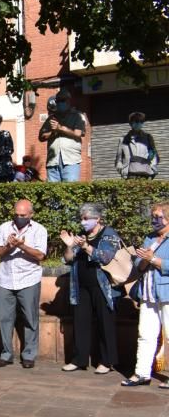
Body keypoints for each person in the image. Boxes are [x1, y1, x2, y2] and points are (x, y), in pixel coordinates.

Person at [59, 203, 121, 374]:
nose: (83, 222)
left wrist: (86, 247)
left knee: (105, 323)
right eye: (81, 218)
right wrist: (70, 245)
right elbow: (68, 259)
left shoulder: (109, 234)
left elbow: (106, 257)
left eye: (86, 219)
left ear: (98, 219)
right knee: (81, 322)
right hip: (81, 287)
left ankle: (107, 361)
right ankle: (79, 359)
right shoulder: (82, 235)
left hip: (103, 287)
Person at [0, 199, 48, 369]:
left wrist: (22, 246)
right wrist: (8, 246)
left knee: (30, 319)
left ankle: (29, 355)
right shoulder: (4, 227)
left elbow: (40, 255)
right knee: (4, 318)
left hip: (29, 279)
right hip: (6, 279)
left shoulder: (39, 230)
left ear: (31, 215)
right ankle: (6, 354)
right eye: (16, 215)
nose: (19, 218)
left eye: (23, 215)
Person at [122, 202, 169, 386]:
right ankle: (142, 373)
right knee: (145, 333)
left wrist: (154, 259)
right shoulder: (149, 238)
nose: (154, 220)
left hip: (166, 292)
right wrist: (144, 260)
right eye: (153, 217)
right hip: (148, 292)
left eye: (158, 217)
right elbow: (138, 266)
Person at [38, 89, 87, 182]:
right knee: (53, 194)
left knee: (69, 192)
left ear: (69, 101)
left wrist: (60, 128)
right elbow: (41, 136)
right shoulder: (52, 118)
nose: (60, 103)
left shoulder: (77, 116)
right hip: (53, 161)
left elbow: (78, 133)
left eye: (63, 100)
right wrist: (53, 132)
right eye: (58, 101)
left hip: (70, 160)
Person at [116, 112, 159, 179]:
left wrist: (153, 167)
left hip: (145, 173)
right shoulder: (123, 139)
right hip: (128, 174)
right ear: (131, 123)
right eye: (136, 121)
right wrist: (120, 168)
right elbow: (119, 158)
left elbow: (153, 153)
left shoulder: (148, 138)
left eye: (141, 122)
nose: (138, 123)